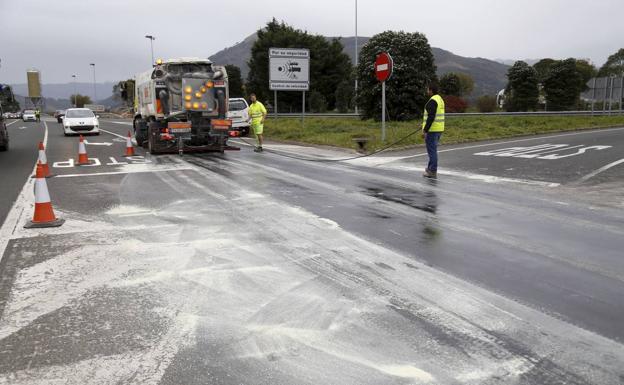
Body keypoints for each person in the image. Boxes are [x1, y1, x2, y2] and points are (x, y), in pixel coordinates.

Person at [421, 84, 445, 178]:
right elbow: (433, 116)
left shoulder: (432, 101)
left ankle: (432, 171)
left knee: (432, 151)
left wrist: (425, 130)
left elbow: (431, 116)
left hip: (432, 130)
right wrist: (423, 124)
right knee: (433, 150)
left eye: (427, 89)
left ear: (431, 90)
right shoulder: (440, 99)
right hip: (439, 128)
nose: (427, 91)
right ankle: (430, 168)